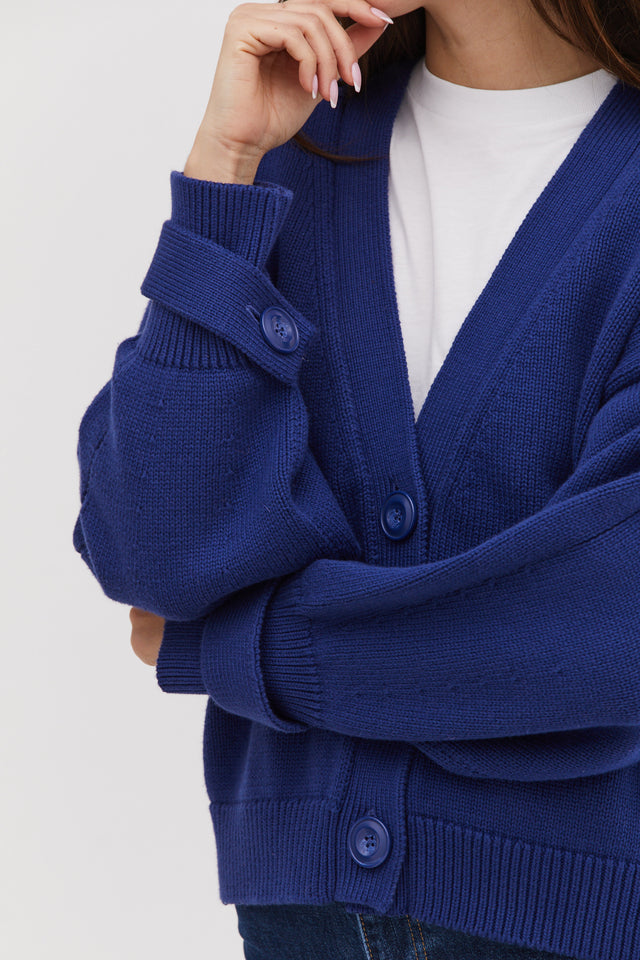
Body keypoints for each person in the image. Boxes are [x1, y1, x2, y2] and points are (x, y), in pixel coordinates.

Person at [73, 0, 640, 957]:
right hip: (296, 917)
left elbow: (606, 624)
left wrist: (231, 650)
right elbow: (154, 551)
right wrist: (224, 164)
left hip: (570, 926)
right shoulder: (293, 153)